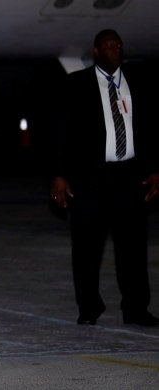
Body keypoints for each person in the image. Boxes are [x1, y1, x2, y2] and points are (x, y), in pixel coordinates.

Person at [50, 29, 159, 327]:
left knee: (133, 249)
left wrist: (154, 169)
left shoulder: (138, 82)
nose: (115, 48)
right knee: (87, 248)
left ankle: (136, 308)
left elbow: (149, 129)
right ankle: (89, 307)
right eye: (109, 45)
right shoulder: (77, 84)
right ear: (96, 51)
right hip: (90, 179)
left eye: (118, 44)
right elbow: (63, 134)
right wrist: (60, 174)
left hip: (129, 176)